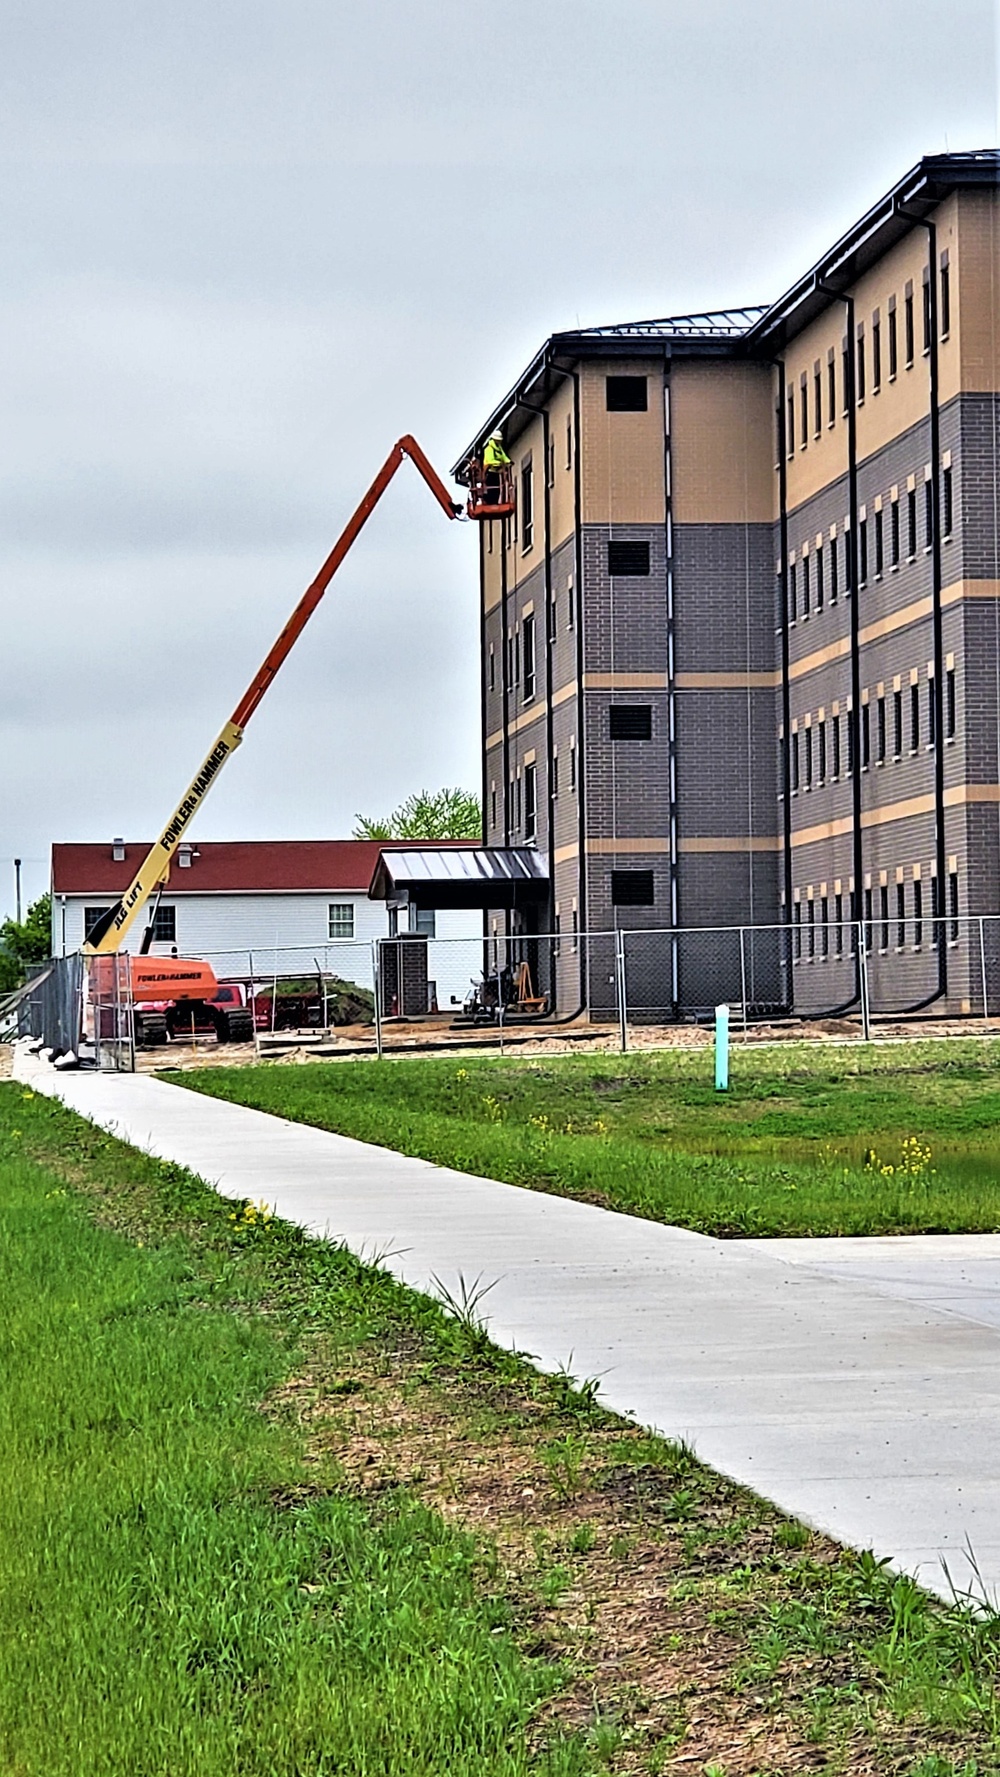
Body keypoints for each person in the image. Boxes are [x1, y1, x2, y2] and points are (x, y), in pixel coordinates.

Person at [481, 432, 511, 505]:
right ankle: (488, 502)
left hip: (496, 472)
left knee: (497, 489)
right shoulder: (489, 449)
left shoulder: (499, 448)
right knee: (491, 488)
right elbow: (490, 460)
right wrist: (499, 463)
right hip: (489, 472)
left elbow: (503, 456)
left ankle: (494, 503)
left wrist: (509, 461)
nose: (500, 441)